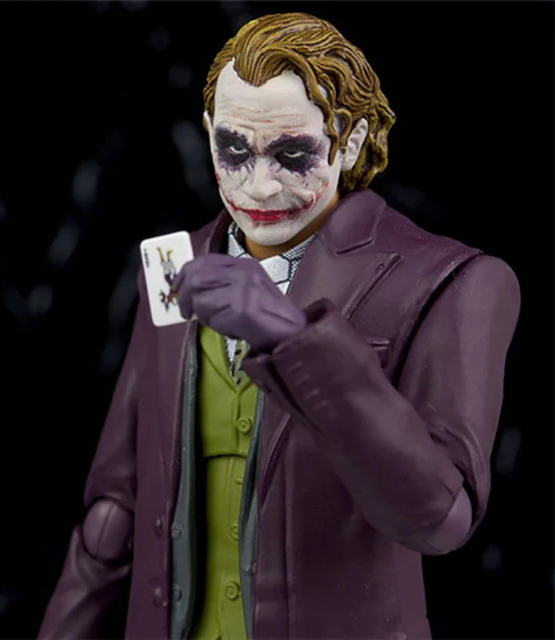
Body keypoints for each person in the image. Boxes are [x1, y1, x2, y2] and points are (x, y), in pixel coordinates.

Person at [38, 12, 520, 640]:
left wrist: (296, 340)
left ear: (350, 139)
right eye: (233, 150)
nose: (259, 187)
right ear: (208, 131)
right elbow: (115, 510)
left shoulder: (450, 282)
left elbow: (440, 519)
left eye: (293, 155)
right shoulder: (174, 265)